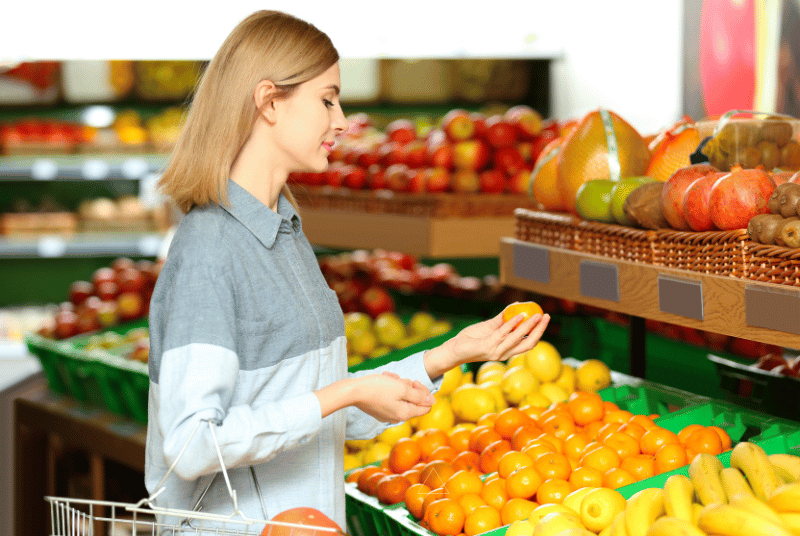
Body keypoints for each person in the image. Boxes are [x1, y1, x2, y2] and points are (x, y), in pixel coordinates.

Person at [145, 9, 551, 533]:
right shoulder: (208, 250)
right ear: (269, 102)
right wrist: (348, 392)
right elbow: (190, 445)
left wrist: (449, 354)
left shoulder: (285, 233)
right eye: (327, 99)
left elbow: (316, 413)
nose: (340, 120)